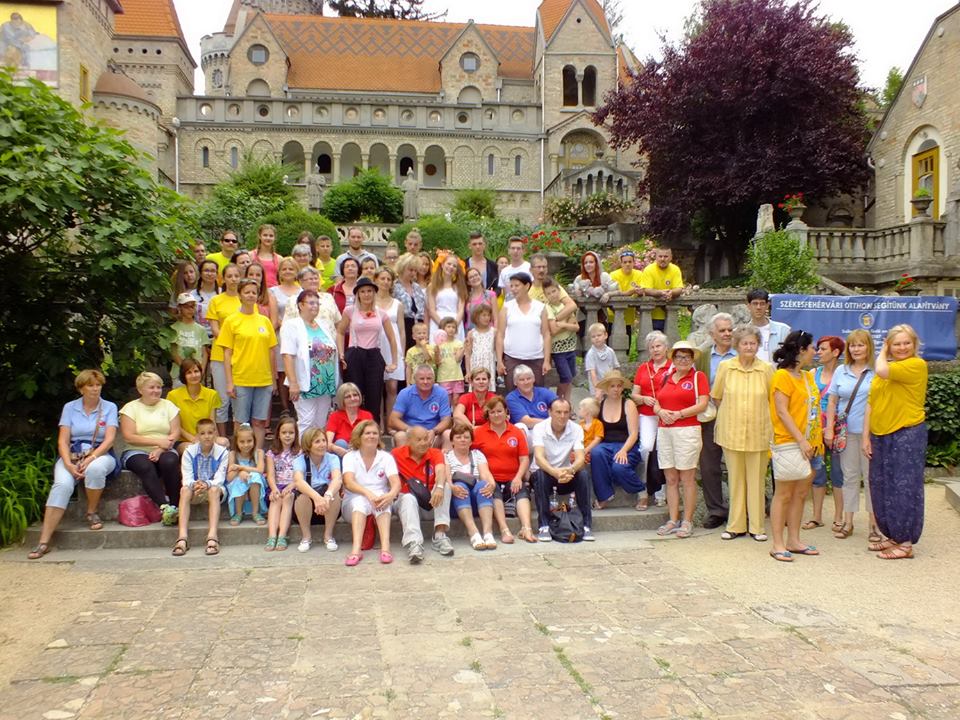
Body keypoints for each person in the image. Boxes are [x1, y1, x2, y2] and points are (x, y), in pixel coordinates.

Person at [29, 370, 118, 559]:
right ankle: (44, 541)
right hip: (73, 453)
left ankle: (91, 511)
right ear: (81, 388)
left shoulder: (109, 407)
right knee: (62, 485)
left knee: (95, 469)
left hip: (99, 453)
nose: (95, 389)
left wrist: (91, 458)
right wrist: (68, 464)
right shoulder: (70, 407)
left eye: (98, 385)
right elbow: (63, 440)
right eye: (90, 385)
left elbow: (109, 440)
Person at [863, 324, 927, 560]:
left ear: (914, 344)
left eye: (906, 343)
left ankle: (905, 541)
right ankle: (892, 535)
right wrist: (866, 436)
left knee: (904, 487)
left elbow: (881, 370)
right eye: (896, 344)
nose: (902, 348)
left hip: (906, 433)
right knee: (880, 486)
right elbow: (871, 403)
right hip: (880, 435)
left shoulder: (916, 365)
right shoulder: (889, 369)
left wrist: (883, 349)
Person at [711, 325, 774, 541]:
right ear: (737, 345)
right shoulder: (726, 367)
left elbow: (772, 399)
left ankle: (757, 527)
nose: (749, 347)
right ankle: (735, 526)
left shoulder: (766, 369)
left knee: (756, 481)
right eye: (745, 343)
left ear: (758, 345)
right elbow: (717, 397)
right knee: (736, 480)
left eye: (753, 343)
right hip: (732, 432)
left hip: (759, 432)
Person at [769, 330, 822, 562]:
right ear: (801, 350)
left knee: (800, 494)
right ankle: (777, 543)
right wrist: (800, 439)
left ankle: (794, 539)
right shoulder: (782, 376)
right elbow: (782, 411)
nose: (815, 352)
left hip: (812, 443)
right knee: (784, 494)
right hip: (790, 442)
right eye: (812, 347)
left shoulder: (808, 377)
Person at [653, 341, 709, 539]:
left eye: (686, 357)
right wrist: (660, 411)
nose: (682, 360)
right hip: (665, 429)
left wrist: (679, 414)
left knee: (687, 477)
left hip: (687, 429)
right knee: (670, 478)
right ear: (673, 359)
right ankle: (672, 519)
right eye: (679, 356)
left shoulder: (697, 377)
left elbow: (703, 403)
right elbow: (656, 402)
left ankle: (687, 520)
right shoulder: (666, 377)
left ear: (692, 359)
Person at [825, 329, 876, 541]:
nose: (856, 349)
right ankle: (848, 522)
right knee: (850, 477)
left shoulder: (876, 371)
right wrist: (829, 428)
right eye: (853, 345)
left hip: (871, 435)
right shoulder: (841, 371)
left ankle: (874, 524)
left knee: (871, 478)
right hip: (846, 434)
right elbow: (832, 401)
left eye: (860, 344)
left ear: (869, 347)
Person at [218, 278, 278, 449]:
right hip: (241, 378)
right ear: (240, 295)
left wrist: (273, 379)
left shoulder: (264, 321)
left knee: (259, 421)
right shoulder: (231, 321)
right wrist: (229, 382)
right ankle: (239, 455)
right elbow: (227, 353)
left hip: (263, 379)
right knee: (241, 422)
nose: (251, 295)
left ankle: (258, 454)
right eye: (247, 292)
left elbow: (271, 351)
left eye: (254, 292)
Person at [120, 372, 182, 524]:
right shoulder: (130, 408)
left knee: (170, 462)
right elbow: (129, 436)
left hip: (165, 447)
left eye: (159, 387)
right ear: (140, 389)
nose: (156, 391)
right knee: (145, 466)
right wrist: (157, 442)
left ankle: (176, 506)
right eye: (151, 387)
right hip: (136, 449)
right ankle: (165, 508)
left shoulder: (168, 406)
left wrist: (161, 448)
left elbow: (175, 432)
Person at [471, 396, 534, 543]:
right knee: (493, 491)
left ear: (506, 412)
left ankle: (527, 528)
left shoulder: (516, 432)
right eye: (492, 412)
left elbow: (524, 459)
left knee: (522, 492)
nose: (496, 415)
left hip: (513, 477)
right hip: (491, 478)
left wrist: (518, 477)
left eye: (499, 411)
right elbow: (470, 454)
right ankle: (504, 530)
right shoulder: (479, 432)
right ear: (488, 414)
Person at [694, 313, 736, 527]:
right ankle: (716, 511)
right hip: (711, 416)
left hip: (738, 417)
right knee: (709, 465)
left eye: (730, 330)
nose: (727, 333)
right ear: (712, 334)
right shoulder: (702, 356)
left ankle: (741, 510)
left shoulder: (741, 354)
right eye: (722, 330)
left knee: (738, 464)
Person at [531, 399, 594, 542]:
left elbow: (580, 458)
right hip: (546, 473)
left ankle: (586, 525)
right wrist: (555, 472)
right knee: (539, 475)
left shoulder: (576, 429)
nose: (562, 416)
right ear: (550, 412)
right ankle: (544, 526)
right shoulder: (540, 428)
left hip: (566, 474)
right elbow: (539, 458)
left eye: (566, 412)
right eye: (558, 412)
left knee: (583, 475)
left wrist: (570, 470)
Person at [391, 426, 454, 563]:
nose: (423, 443)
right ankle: (414, 543)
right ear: (408, 441)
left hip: (430, 503)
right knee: (408, 498)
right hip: (406, 504)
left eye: (426, 439)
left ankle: (440, 535)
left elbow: (441, 471)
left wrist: (439, 487)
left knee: (445, 486)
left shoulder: (435, 453)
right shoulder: (396, 454)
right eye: (418, 440)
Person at [341, 420, 401, 566]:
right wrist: (367, 493)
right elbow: (348, 482)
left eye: (375, 433)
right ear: (359, 436)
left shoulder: (386, 457)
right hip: (354, 499)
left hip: (378, 498)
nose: (372, 436)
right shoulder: (350, 456)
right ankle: (356, 550)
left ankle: (385, 548)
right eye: (367, 433)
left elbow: (396, 483)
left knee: (382, 502)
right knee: (360, 503)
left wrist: (390, 495)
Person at [337, 276, 398, 419]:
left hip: (374, 355)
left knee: (374, 395)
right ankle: (353, 425)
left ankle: (372, 426)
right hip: (355, 353)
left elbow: (392, 338)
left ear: (374, 293)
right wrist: (341, 353)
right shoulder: (350, 311)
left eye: (369, 291)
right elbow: (340, 332)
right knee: (353, 394)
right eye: (362, 291)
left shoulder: (381, 313)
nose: (366, 294)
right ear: (358, 294)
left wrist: (394, 362)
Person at [282, 290, 339, 437]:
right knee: (306, 422)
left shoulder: (322, 325)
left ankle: (317, 450)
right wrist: (293, 383)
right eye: (311, 303)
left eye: (317, 303)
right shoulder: (292, 325)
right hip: (305, 383)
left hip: (325, 382)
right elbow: (287, 355)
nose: (315, 306)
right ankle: (303, 451)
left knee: (320, 423)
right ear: (300, 305)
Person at [806, 335, 846, 532]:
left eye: (823, 349)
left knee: (838, 473)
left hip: (837, 429)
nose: (818, 352)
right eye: (818, 349)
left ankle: (839, 517)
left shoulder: (844, 373)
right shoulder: (813, 373)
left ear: (835, 352)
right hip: (815, 430)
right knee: (818, 473)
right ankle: (816, 517)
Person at [172, 419, 227, 557]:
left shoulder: (222, 452)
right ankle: (182, 537)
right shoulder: (189, 452)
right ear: (197, 435)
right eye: (202, 433)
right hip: (195, 489)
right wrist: (195, 485)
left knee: (214, 490)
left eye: (210, 432)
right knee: (184, 490)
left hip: (213, 489)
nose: (207, 436)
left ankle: (212, 536)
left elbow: (220, 478)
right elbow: (187, 477)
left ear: (215, 433)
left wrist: (207, 484)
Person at [590, 370, 644, 509]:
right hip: (606, 446)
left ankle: (641, 490)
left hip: (627, 445)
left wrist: (624, 450)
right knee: (596, 452)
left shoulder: (628, 404)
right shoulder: (600, 404)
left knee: (619, 468)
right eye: (612, 386)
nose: (616, 389)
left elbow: (634, 433)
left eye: (619, 386)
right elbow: (590, 424)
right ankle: (604, 496)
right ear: (606, 388)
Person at [631, 331, 672, 510]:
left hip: (667, 415)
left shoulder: (673, 367)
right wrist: (643, 399)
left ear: (666, 347)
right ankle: (643, 491)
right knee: (646, 448)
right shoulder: (643, 368)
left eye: (659, 346)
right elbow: (634, 394)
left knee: (663, 451)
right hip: (647, 414)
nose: (656, 350)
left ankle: (661, 493)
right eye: (652, 347)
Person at [447, 422, 498, 550]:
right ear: (452, 441)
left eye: (466, 437)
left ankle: (488, 533)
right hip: (456, 503)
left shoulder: (477, 454)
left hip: (476, 500)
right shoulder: (446, 456)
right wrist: (452, 487)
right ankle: (473, 532)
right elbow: (447, 479)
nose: (462, 440)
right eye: (458, 437)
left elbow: (485, 474)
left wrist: (491, 484)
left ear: (471, 441)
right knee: (459, 485)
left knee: (483, 484)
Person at [497, 272, 551, 391]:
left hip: (536, 358)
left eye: (517, 285)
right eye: (511, 286)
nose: (513, 289)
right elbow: (500, 335)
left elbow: (546, 334)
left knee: (537, 393)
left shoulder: (540, 307)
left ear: (527, 286)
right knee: (512, 393)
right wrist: (500, 361)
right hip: (512, 358)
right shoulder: (506, 307)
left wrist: (547, 360)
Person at [206, 263, 242, 436]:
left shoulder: (245, 300)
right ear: (223, 279)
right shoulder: (216, 301)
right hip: (220, 355)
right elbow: (215, 329)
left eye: (236, 276)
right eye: (230, 276)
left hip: (242, 356)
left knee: (239, 400)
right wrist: (231, 343)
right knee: (222, 399)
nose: (233, 279)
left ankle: (238, 440)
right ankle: (221, 439)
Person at [293, 427, 342, 553]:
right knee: (302, 496)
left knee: (335, 494)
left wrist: (327, 496)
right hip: (306, 509)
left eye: (323, 440)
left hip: (328, 506)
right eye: (317, 441)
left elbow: (337, 479)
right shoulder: (299, 460)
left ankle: (328, 536)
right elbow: (298, 481)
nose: (322, 444)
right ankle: (306, 537)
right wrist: (317, 498)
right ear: (308, 445)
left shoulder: (332, 458)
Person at [167, 358, 224, 452]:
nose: (193, 375)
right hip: (183, 440)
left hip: (206, 437)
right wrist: (193, 439)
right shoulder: (173, 396)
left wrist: (214, 440)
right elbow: (176, 426)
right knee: (193, 449)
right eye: (189, 373)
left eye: (196, 371)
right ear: (183, 376)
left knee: (224, 442)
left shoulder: (212, 394)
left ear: (201, 373)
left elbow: (212, 421)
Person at [389, 364, 453, 447]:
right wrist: (410, 430)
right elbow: (393, 419)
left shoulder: (442, 393)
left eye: (429, 378)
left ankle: (445, 456)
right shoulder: (405, 393)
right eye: (422, 379)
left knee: (448, 434)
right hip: (411, 434)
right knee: (400, 436)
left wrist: (434, 431)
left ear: (434, 379)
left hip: (434, 434)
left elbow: (446, 420)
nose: (425, 382)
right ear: (415, 379)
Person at [264, 416, 300, 551]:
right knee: (276, 498)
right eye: (284, 432)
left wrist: (292, 485)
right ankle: (272, 536)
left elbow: (300, 475)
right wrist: (274, 489)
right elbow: (270, 475)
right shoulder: (271, 453)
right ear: (278, 434)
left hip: (293, 487)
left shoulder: (300, 453)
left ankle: (282, 536)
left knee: (288, 497)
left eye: (291, 432)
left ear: (296, 434)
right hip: (277, 486)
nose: (287, 435)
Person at [376, 266, 406, 423]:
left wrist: (402, 353)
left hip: (393, 348)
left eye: (389, 279)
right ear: (376, 280)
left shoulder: (397, 304)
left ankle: (391, 422)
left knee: (392, 387)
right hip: (376, 345)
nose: (385, 282)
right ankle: (379, 421)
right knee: (377, 386)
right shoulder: (370, 302)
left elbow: (401, 330)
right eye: (382, 278)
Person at [543, 277, 579, 401]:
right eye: (548, 293)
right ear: (545, 296)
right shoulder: (548, 308)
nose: (552, 295)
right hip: (558, 349)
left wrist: (562, 324)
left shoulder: (565, 305)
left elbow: (576, 327)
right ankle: (558, 400)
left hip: (571, 346)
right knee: (566, 377)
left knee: (571, 377)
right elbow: (553, 330)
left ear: (559, 291)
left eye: (554, 291)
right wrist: (567, 321)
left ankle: (566, 402)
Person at [225, 423, 266, 525]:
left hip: (256, 482)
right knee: (240, 479)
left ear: (254, 440)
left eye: (249, 441)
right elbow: (229, 478)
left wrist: (241, 468)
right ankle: (238, 513)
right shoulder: (233, 454)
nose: (246, 445)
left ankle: (255, 512)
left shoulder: (259, 452)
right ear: (236, 442)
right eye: (242, 442)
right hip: (238, 482)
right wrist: (240, 473)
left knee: (254, 476)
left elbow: (260, 470)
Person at [168, 293, 210, 387]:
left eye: (192, 306)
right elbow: (174, 352)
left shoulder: (201, 329)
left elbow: (204, 353)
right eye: (186, 307)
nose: (190, 310)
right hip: (179, 373)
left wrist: (201, 371)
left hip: (197, 374)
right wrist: (186, 370)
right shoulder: (173, 328)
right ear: (179, 308)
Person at [506, 365, 557, 439]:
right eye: (521, 380)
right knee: (520, 426)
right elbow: (527, 422)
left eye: (529, 378)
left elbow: (560, 406)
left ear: (534, 379)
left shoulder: (543, 392)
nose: (526, 382)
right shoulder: (511, 398)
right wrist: (552, 422)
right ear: (515, 382)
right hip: (529, 433)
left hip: (547, 430)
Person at [639, 247, 683, 332]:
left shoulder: (675, 269)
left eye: (666, 256)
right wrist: (660, 293)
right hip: (651, 314)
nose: (663, 259)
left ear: (671, 257)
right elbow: (646, 289)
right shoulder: (649, 269)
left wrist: (671, 293)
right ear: (656, 257)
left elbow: (679, 288)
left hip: (670, 313)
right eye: (660, 256)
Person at [326, 382, 374, 459]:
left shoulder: (367, 415)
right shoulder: (335, 416)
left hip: (361, 452)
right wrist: (334, 448)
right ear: (342, 400)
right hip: (341, 453)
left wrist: (356, 447)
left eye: (355, 395)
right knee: (340, 443)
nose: (353, 398)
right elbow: (328, 444)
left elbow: (372, 439)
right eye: (348, 396)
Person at [427, 253, 467, 341]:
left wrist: (453, 326)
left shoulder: (459, 287)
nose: (451, 267)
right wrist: (443, 325)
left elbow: (461, 309)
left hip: (455, 322)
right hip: (438, 322)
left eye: (454, 266)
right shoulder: (432, 286)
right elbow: (431, 310)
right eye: (449, 264)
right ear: (442, 265)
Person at [608, 249, 645, 345]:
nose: (627, 264)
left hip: (628, 317)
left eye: (630, 262)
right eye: (625, 262)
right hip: (613, 316)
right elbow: (616, 294)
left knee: (626, 346)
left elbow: (642, 290)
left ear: (633, 263)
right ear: (621, 263)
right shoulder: (613, 275)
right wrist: (631, 291)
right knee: (612, 344)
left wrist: (640, 292)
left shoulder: (639, 274)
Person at [572, 250, 615, 328]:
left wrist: (608, 294)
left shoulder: (604, 276)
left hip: (601, 316)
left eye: (591, 262)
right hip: (583, 316)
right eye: (585, 263)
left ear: (596, 263)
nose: (588, 265)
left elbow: (617, 290)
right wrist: (579, 290)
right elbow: (575, 295)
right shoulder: (579, 278)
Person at [747, 288, 791, 364]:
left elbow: (790, 358)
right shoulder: (739, 333)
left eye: (762, 303)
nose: (758, 307)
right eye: (755, 303)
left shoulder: (783, 330)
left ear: (767, 305)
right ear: (749, 306)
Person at [393, 253, 426, 351]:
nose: (413, 273)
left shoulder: (417, 287)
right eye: (410, 270)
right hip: (403, 326)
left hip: (418, 329)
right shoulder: (394, 287)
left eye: (415, 271)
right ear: (402, 268)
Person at [435, 317, 465, 407]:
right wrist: (436, 352)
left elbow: (458, 359)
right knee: (446, 402)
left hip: (457, 376)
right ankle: (446, 416)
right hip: (444, 377)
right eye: (448, 327)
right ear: (442, 329)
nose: (451, 329)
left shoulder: (458, 343)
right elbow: (437, 362)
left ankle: (455, 416)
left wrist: (464, 348)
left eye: (453, 327)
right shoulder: (439, 344)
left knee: (456, 401)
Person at [584, 323, 620, 397]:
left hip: (610, 385)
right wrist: (597, 388)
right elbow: (592, 373)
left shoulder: (610, 351)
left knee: (611, 402)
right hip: (598, 387)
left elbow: (615, 369)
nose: (596, 338)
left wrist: (616, 383)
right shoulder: (591, 354)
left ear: (605, 335)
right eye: (593, 336)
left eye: (599, 335)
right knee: (599, 403)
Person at [464, 304, 497, 380]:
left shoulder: (494, 332)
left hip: (489, 366)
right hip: (475, 366)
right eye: (484, 315)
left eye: (488, 315)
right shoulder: (471, 333)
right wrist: (468, 372)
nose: (487, 318)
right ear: (476, 317)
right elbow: (468, 354)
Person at [193, 260, 220, 339]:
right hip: (198, 337)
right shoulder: (192, 295)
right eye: (206, 270)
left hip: (219, 337)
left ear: (217, 274)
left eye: (213, 271)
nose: (209, 274)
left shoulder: (223, 293)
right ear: (200, 273)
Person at [497, 236, 530, 302]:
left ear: (523, 251)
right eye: (513, 248)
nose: (515, 251)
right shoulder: (504, 271)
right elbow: (505, 294)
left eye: (518, 248)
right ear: (508, 251)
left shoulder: (530, 268)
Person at [465, 267, 497, 331]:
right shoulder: (467, 297)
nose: (474, 278)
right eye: (471, 277)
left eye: (476, 275)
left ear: (480, 277)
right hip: (471, 332)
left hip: (488, 332)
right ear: (468, 282)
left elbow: (496, 318)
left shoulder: (491, 295)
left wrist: (496, 332)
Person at [250, 224, 282, 288]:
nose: (268, 238)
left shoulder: (279, 259)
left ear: (275, 238)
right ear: (259, 236)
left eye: (271, 236)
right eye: (265, 235)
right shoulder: (251, 255)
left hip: (274, 291)